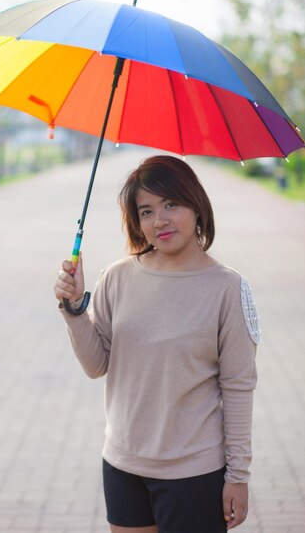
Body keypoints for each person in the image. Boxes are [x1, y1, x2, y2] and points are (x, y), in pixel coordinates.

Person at [54, 155, 260, 533]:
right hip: (122, 464)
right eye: (146, 211)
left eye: (171, 204)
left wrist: (239, 475)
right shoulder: (117, 277)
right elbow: (96, 364)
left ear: (196, 206)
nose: (159, 220)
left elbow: (238, 385)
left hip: (194, 472)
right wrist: (74, 309)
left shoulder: (227, 289)